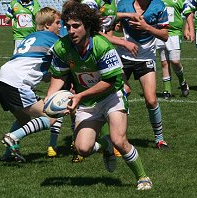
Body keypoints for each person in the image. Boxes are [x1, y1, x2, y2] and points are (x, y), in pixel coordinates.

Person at [46, 2, 152, 190]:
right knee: (83, 149)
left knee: (119, 139)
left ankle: (143, 177)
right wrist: (50, 100)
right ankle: (106, 146)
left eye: (76, 26)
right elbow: (58, 76)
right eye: (68, 26)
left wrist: (79, 95)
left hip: (111, 96)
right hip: (87, 101)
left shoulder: (102, 45)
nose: (71, 31)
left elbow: (109, 82)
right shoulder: (62, 47)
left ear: (87, 26)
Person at [0, 7, 62, 162]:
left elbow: (31, 63)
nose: (60, 26)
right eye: (58, 23)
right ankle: (13, 137)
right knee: (52, 116)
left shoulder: (31, 36)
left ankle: (8, 154)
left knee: (23, 120)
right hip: (17, 83)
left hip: (3, 79)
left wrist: (45, 76)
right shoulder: (53, 40)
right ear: (47, 25)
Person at [116, 0, 170, 149]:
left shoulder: (159, 6)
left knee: (151, 100)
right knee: (119, 96)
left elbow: (165, 35)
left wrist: (146, 27)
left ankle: (159, 139)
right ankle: (116, 138)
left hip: (146, 57)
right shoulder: (123, 4)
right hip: (123, 56)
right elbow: (112, 22)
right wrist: (119, 24)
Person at [156, 0, 190, 99]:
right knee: (164, 62)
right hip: (160, 32)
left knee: (175, 61)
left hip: (174, 33)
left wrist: (188, 29)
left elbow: (189, 13)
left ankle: (183, 82)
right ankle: (167, 90)